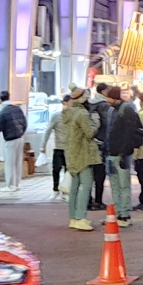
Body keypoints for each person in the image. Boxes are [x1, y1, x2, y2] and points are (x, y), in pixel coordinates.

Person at [59, 87, 101, 230]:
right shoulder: (82, 113)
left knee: (74, 187)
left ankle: (73, 217)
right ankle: (80, 217)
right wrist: (96, 122)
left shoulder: (67, 113)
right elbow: (90, 133)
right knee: (87, 185)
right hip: (84, 153)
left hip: (71, 152)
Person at [104, 84, 143, 225]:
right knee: (116, 185)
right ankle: (119, 212)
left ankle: (124, 214)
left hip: (121, 154)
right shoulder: (114, 110)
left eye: (108, 98)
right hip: (113, 153)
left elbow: (129, 133)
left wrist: (124, 151)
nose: (106, 100)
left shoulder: (125, 110)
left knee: (122, 185)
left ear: (113, 97)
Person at [0, 89, 28, 196]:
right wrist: (21, 132)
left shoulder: (2, 111)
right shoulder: (17, 108)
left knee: (9, 163)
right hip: (20, 137)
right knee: (18, 162)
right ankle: (17, 184)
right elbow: (25, 123)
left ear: (0, 99)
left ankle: (10, 185)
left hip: (10, 139)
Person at [88, 85, 114, 208]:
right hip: (101, 142)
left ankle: (88, 200)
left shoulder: (90, 104)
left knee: (89, 174)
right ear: (103, 91)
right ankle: (98, 201)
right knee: (100, 173)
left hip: (89, 142)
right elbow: (108, 124)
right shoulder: (104, 105)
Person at [39, 100, 68, 195]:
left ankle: (66, 188)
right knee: (56, 169)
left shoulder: (74, 116)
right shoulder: (56, 116)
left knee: (69, 170)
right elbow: (47, 131)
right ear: (64, 103)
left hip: (70, 148)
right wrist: (43, 145)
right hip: (59, 147)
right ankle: (55, 188)